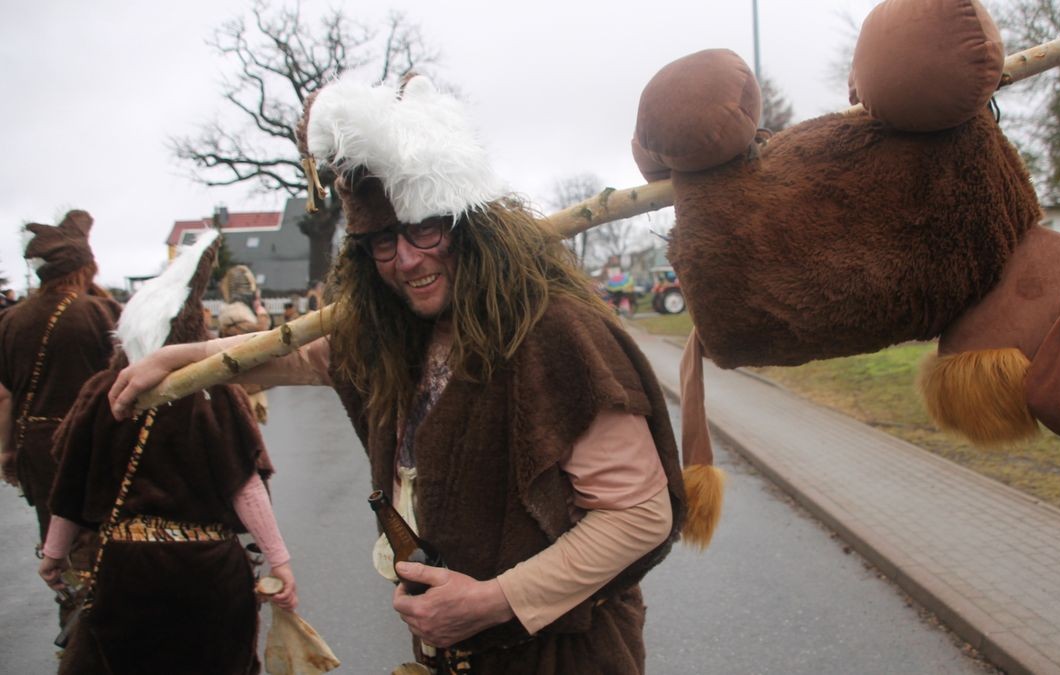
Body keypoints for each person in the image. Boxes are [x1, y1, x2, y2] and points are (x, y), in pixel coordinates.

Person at [108, 76, 722, 674]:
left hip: (564, 655)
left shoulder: (555, 332)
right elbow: (287, 352)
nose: (405, 260)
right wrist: (177, 359)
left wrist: (492, 601)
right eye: (381, 241)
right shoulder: (393, 335)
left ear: (465, 224)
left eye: (424, 229)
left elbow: (638, 515)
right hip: (456, 655)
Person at [40, 230, 297, 674]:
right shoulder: (214, 393)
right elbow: (244, 485)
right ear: (192, 327)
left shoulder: (102, 392)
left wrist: (53, 552)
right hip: (207, 571)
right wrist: (280, 561)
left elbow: (73, 480)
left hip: (127, 570)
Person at [0, 211, 121, 626]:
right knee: (101, 539)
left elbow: (6, 395)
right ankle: (96, 631)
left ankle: (73, 614)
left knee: (57, 539)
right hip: (93, 444)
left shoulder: (10, 320)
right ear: (85, 267)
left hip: (36, 448)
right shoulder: (100, 313)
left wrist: (7, 452)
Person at [218, 264, 273, 423]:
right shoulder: (237, 316)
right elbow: (259, 333)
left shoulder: (233, 315)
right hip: (244, 389)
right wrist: (262, 313)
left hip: (245, 386)